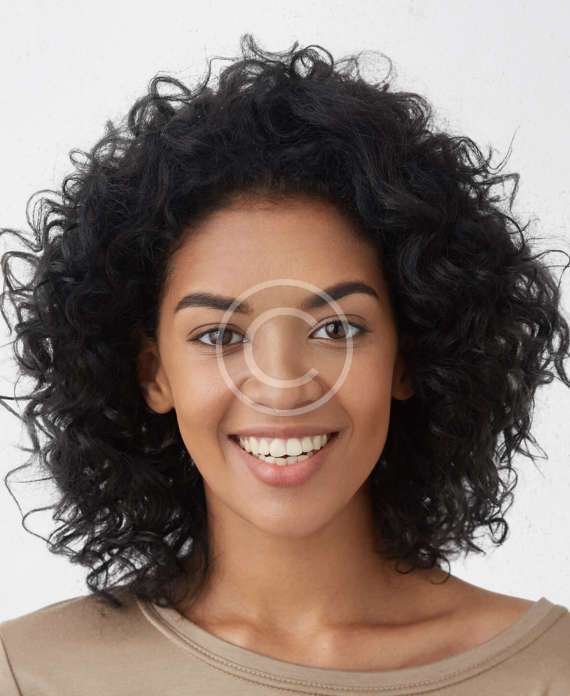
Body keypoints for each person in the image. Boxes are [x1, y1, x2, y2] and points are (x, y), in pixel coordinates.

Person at [0, 33, 569, 695]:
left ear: (407, 358)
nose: (282, 383)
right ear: (153, 373)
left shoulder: (551, 671)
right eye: (219, 335)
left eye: (336, 328)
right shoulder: (29, 674)